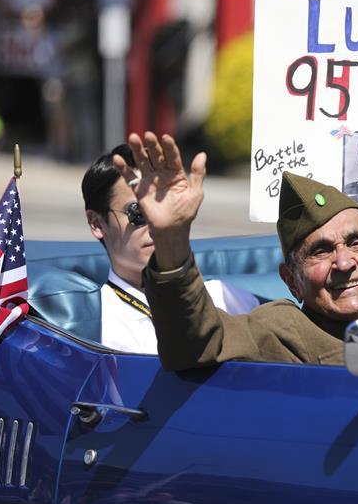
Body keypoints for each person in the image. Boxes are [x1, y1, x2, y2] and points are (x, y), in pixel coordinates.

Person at [112, 131, 358, 374]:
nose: (344, 263)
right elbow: (195, 344)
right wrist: (172, 239)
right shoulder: (281, 330)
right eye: (321, 252)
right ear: (290, 280)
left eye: (356, 243)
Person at [82, 144, 260, 354]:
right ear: (97, 223)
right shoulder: (94, 324)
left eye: (165, 203)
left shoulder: (229, 298)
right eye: (139, 211)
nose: (159, 222)